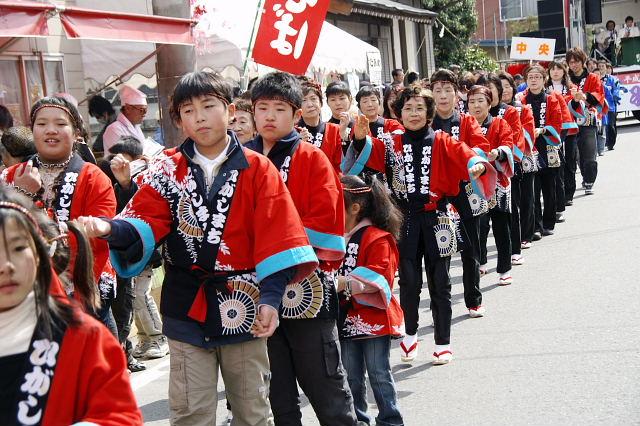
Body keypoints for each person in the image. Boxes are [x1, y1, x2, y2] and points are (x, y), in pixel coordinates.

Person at [79, 71, 319, 425]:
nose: (200, 117)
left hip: (244, 301)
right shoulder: (166, 168)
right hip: (185, 301)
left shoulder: (258, 168)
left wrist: (270, 298)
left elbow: (278, 235)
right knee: (190, 412)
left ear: (231, 109)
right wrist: (107, 227)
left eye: (209, 106)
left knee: (252, 410)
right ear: (178, 119)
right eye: (188, 111)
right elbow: (144, 218)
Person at [343, 84, 496, 365]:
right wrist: (359, 138)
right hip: (403, 220)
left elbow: (469, 155)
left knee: (441, 283)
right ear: (399, 113)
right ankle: (410, 336)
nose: (413, 113)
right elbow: (365, 154)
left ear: (429, 113)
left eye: (419, 108)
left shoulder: (443, 140)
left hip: (438, 217)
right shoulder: (389, 142)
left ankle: (442, 342)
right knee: (410, 283)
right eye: (408, 108)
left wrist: (477, 165)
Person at [245, 71, 357, 426]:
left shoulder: (311, 157)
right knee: (276, 395)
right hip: (254, 288)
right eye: (262, 108)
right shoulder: (241, 159)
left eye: (279, 108)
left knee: (326, 388)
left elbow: (326, 219)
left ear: (296, 115)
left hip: (304, 288)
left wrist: (280, 250)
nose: (269, 116)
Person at [0, 187, 142, 425]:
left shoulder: (83, 335)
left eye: (17, 248)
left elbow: (120, 416)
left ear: (40, 254)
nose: (6, 266)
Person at [0, 96, 118, 330]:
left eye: (60, 124)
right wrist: (21, 192)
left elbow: (98, 237)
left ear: (76, 133)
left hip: (84, 292)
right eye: (41, 124)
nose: (50, 130)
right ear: (32, 130)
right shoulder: (10, 176)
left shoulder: (94, 178)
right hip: (26, 296)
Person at [338, 174, 405, 426]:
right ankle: (358, 420)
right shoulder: (335, 237)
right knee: (350, 376)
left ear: (355, 208)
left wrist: (342, 283)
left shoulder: (377, 237)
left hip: (372, 317)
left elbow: (381, 278)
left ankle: (390, 419)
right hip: (344, 316)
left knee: (378, 373)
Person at [430, 69, 491, 316]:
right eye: (437, 90)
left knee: (471, 248)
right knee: (438, 254)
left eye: (448, 90)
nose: (443, 96)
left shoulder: (467, 121)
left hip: (466, 189)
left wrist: (473, 159)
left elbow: (481, 147)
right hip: (436, 193)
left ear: (457, 95)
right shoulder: (425, 123)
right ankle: (439, 308)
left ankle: (473, 299)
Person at [467, 85, 515, 286]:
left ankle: (504, 268)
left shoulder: (499, 123)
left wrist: (499, 153)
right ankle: (481, 261)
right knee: (478, 226)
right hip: (474, 183)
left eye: (480, 101)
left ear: (489, 103)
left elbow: (508, 144)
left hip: (498, 182)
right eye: (471, 101)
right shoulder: (464, 124)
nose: (476, 106)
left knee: (501, 226)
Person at [482, 73, 526, 266]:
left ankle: (514, 249)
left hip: (505, 168)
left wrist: (502, 157)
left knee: (509, 211)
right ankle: (481, 259)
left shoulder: (509, 112)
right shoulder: (474, 116)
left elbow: (516, 139)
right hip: (481, 173)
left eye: (492, 89)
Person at [518, 65, 563, 238]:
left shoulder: (551, 99)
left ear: (544, 79)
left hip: (547, 145)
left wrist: (543, 130)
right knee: (532, 189)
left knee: (549, 186)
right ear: (526, 81)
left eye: (537, 77)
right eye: (530, 78)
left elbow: (557, 122)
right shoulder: (521, 100)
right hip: (529, 148)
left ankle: (548, 222)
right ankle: (535, 226)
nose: (534, 80)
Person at [499, 71, 537, 259]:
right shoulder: (493, 111)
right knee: (511, 203)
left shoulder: (522, 108)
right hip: (502, 163)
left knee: (527, 197)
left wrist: (517, 152)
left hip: (522, 156)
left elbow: (528, 131)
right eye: (500, 86)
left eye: (507, 86)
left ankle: (527, 234)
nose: (504, 90)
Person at [566, 47, 606, 195]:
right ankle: (583, 174)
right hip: (570, 120)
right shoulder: (566, 78)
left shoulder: (592, 77)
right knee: (576, 154)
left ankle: (589, 180)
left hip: (587, 118)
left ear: (583, 61)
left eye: (576, 61)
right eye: (571, 62)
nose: (574, 65)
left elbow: (599, 94)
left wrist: (585, 96)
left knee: (589, 151)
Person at [546, 61, 579, 209]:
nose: (555, 72)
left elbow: (578, 108)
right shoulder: (544, 88)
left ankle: (569, 193)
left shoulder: (571, 88)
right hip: (552, 131)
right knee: (556, 162)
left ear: (564, 71)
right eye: (552, 69)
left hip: (569, 130)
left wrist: (576, 99)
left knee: (570, 160)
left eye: (558, 69)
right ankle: (558, 193)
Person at [296, 78, 343, 174]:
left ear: (321, 103)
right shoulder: (292, 132)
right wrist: (297, 144)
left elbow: (339, 167)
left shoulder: (334, 130)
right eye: (303, 100)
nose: (310, 105)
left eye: (313, 99)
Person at [103, 85, 147, 155]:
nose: (144, 114)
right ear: (128, 108)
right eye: (142, 110)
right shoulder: (113, 129)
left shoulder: (136, 127)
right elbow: (127, 157)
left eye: (146, 110)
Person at [326, 81, 355, 153]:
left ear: (350, 99)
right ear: (327, 103)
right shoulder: (326, 129)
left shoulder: (358, 125)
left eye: (342, 98)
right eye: (333, 100)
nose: (338, 103)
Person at [604, 63, 625, 150]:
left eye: (609, 68)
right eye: (606, 68)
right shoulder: (600, 79)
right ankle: (607, 142)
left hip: (612, 105)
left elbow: (617, 90)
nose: (608, 69)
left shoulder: (613, 79)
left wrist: (615, 97)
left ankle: (611, 143)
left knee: (611, 125)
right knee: (606, 125)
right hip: (602, 106)